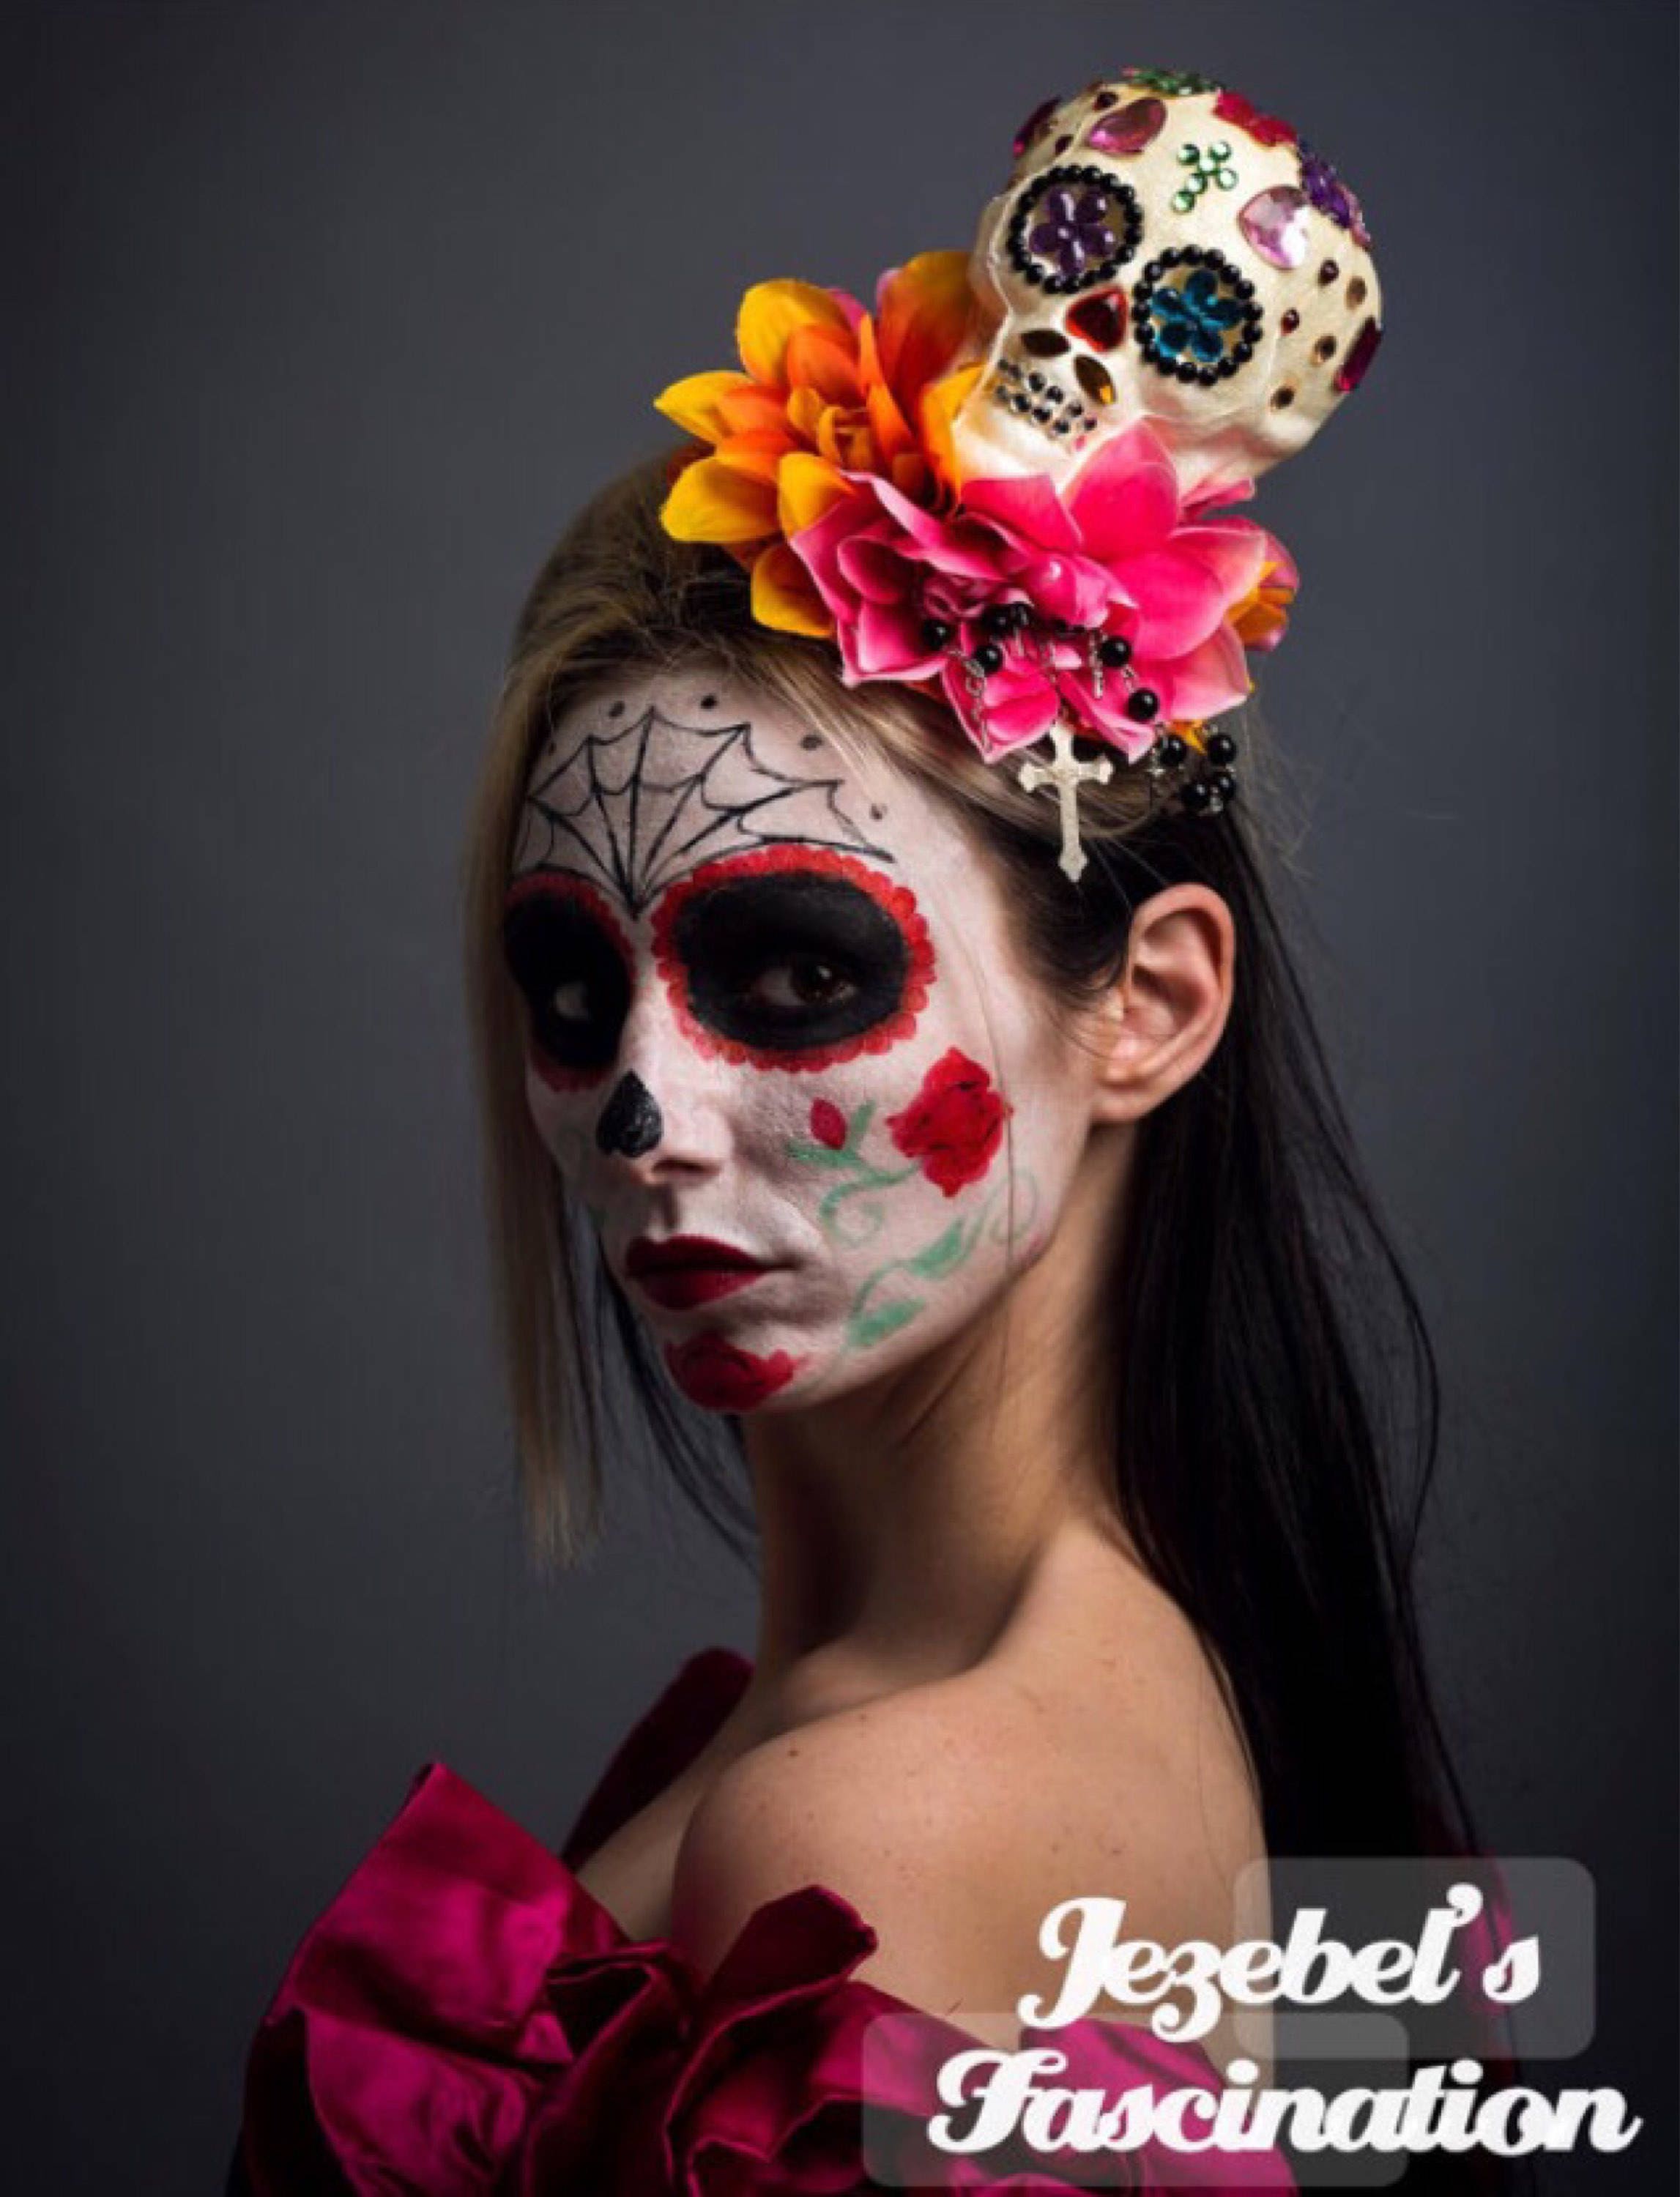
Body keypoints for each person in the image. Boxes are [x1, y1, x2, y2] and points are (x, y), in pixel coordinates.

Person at [228, 66, 1506, 2195]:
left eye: (798, 974)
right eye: (568, 984)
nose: (639, 1103)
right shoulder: (935, 1724)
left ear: (1153, 1008)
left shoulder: (891, 1830)